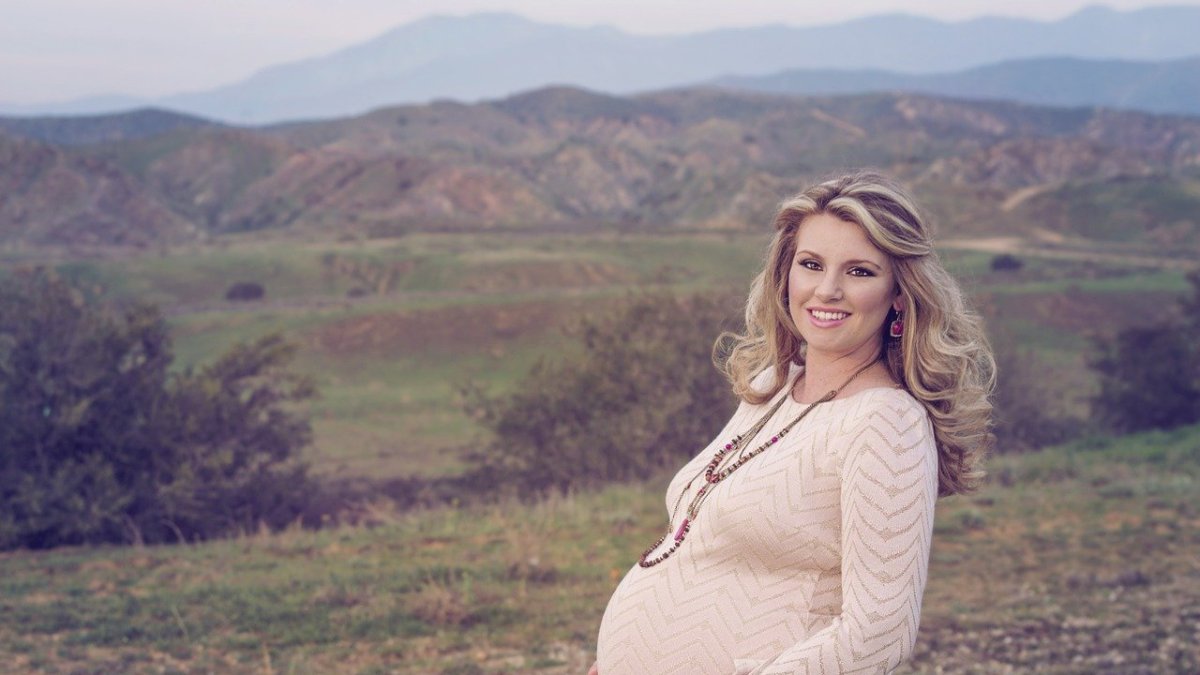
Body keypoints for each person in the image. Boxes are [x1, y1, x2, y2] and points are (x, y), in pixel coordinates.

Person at [588, 171, 995, 674]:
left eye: (860, 272)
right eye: (811, 264)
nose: (828, 290)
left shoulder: (887, 425)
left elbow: (879, 635)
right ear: (786, 275)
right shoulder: (774, 386)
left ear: (899, 294)